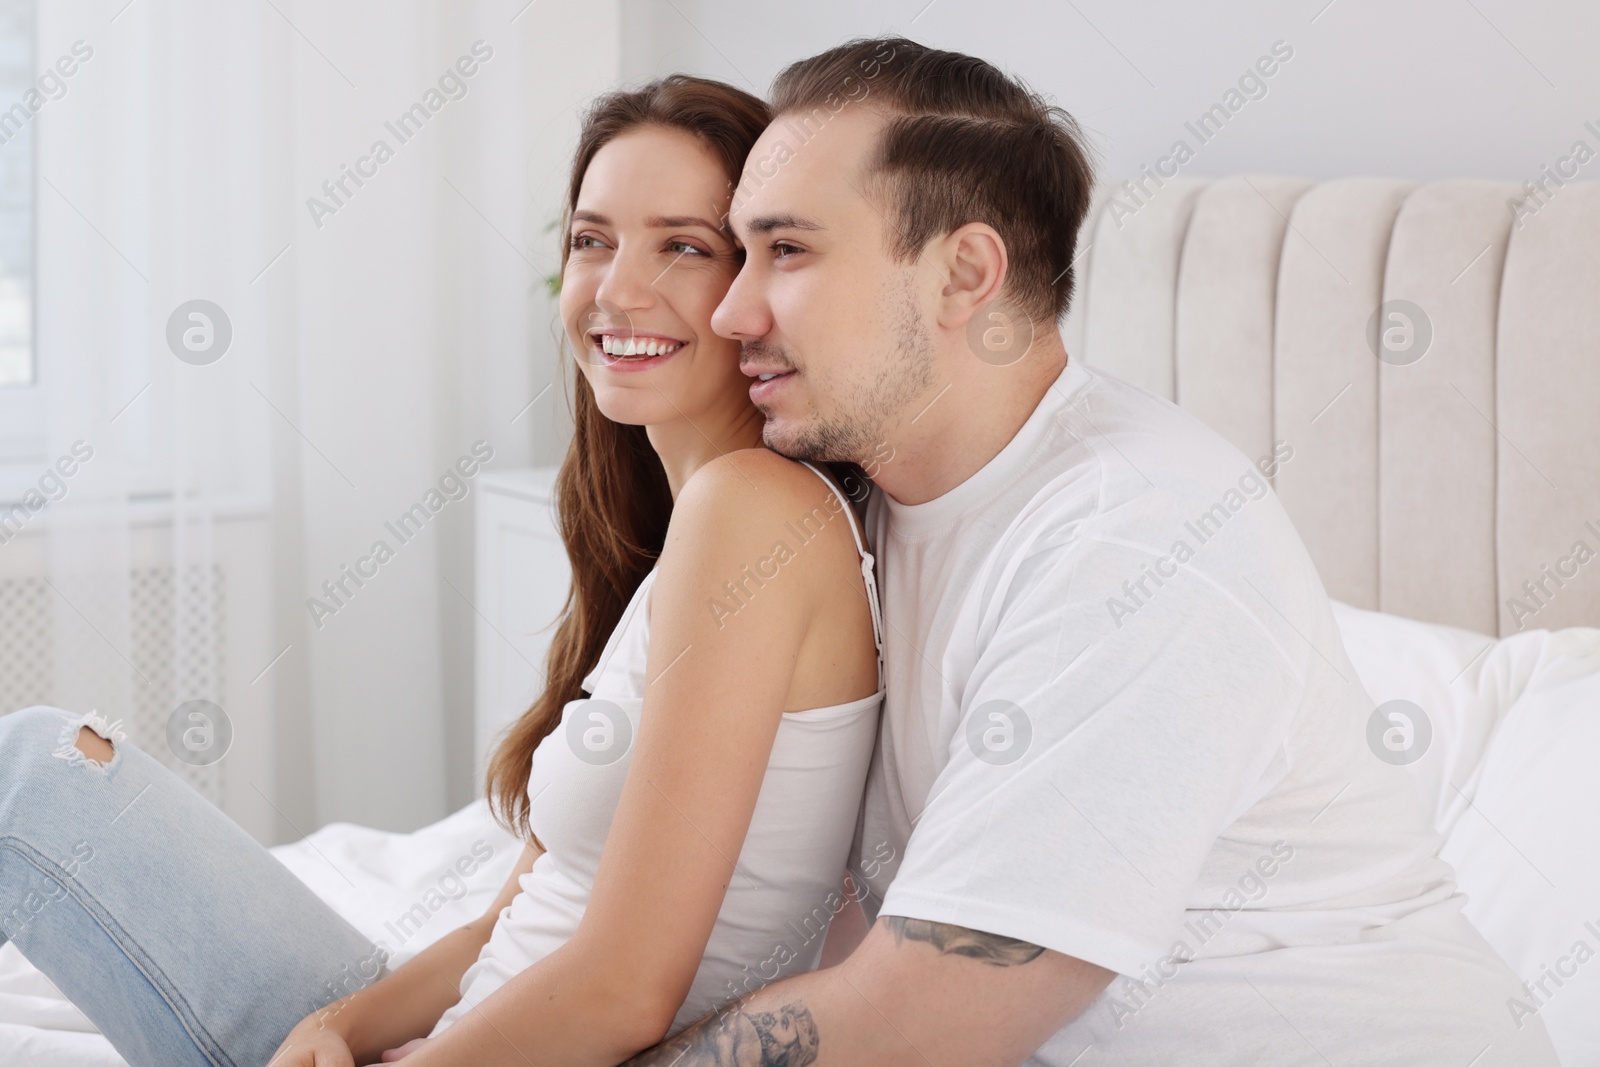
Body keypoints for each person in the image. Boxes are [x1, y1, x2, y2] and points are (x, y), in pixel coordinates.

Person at [620, 37, 1560, 1067]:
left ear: (963, 272)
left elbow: (916, 1016)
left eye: (788, 251)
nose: (729, 309)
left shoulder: (1138, 542)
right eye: (740, 251)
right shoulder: (852, 504)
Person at [0, 73, 885, 1067]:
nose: (614, 289)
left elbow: (630, 988)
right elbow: (517, 916)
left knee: (36, 771)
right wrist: (338, 1024)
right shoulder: (690, 532)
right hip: (471, 1030)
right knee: (47, 762)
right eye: (591, 239)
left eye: (683, 245)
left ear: (757, 285)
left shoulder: (754, 514)